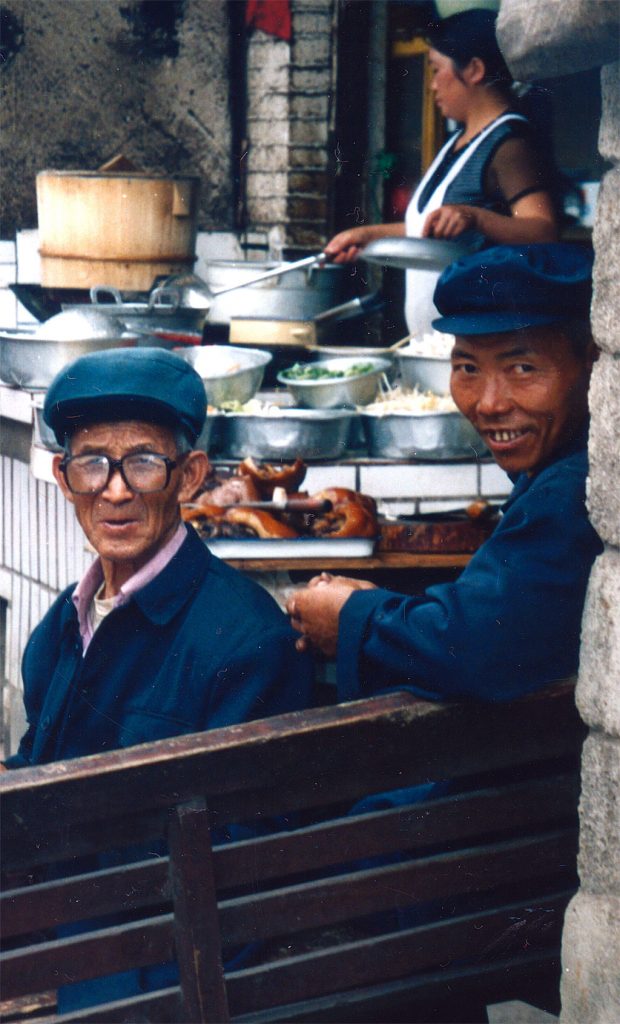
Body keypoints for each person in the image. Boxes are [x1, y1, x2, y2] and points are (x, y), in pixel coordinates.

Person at [288, 244, 603, 703]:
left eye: (522, 368)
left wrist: (356, 619)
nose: (489, 403)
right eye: (468, 368)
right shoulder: (555, 466)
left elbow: (477, 648)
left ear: (595, 364)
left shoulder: (575, 488)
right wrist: (376, 609)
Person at [3, 347, 314, 770]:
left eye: (143, 462)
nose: (115, 492)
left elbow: (245, 832)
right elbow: (38, 772)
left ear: (189, 477)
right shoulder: (61, 626)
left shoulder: (249, 645)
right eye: (93, 463)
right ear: (64, 478)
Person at [325, 8, 559, 338]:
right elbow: (430, 229)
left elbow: (544, 231)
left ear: (474, 70)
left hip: (479, 341)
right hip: (434, 345)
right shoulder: (456, 143)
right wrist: (367, 236)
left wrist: (475, 218)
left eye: (436, 70)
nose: (432, 85)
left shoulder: (510, 144)